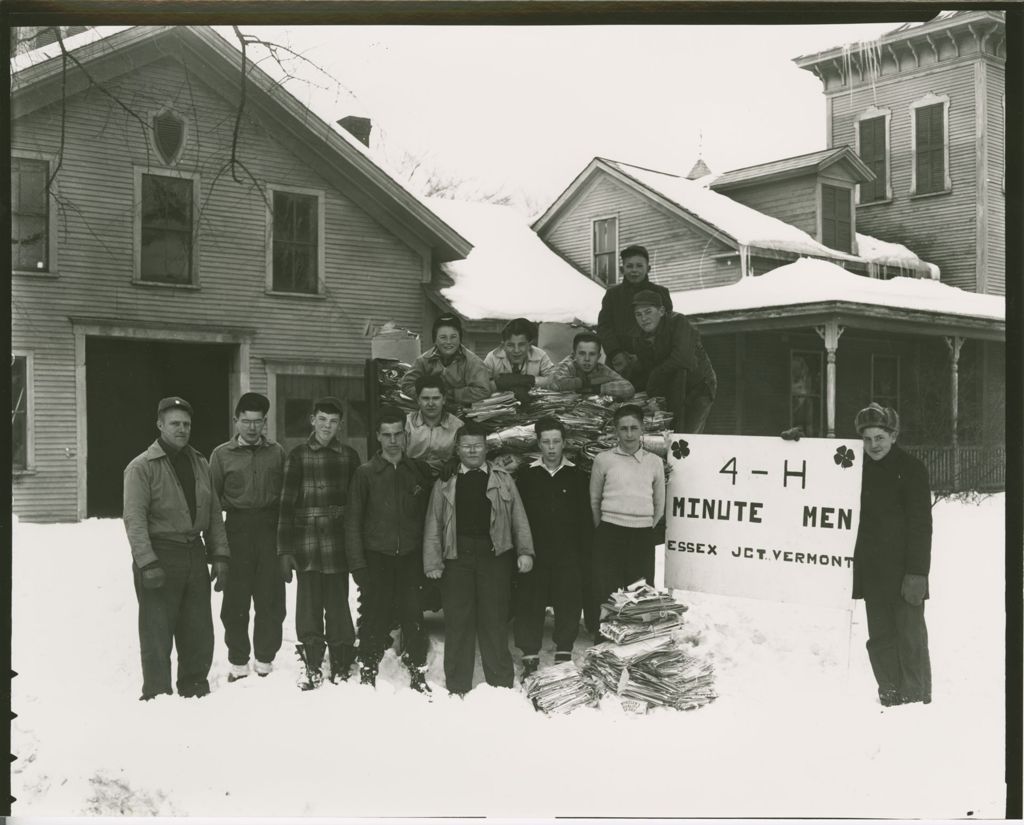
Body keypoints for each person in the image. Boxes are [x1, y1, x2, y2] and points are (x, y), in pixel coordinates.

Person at [123, 396, 230, 701]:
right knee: (157, 629)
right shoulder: (141, 467)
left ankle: (194, 685)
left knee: (198, 628)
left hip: (193, 553)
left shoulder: (200, 463)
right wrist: (147, 563)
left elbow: (212, 513)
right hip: (160, 554)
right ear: (160, 425)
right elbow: (134, 520)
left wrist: (220, 554)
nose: (182, 429)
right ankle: (157, 693)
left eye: (187, 424)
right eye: (175, 424)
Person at [423, 421, 535, 695]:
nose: (472, 450)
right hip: (456, 555)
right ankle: (458, 686)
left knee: (494, 619)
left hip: (493, 555)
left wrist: (524, 551)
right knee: (458, 620)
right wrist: (433, 562)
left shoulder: (503, 478)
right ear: (457, 449)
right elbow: (433, 523)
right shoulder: (445, 481)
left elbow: (518, 518)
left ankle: (500, 685)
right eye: (466, 446)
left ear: (487, 448)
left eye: (478, 445)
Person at [346, 409, 434, 692]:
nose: (393, 440)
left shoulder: (417, 471)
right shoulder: (366, 473)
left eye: (398, 434)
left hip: (410, 557)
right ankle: (369, 669)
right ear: (378, 437)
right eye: (387, 435)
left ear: (406, 436)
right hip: (377, 558)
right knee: (374, 615)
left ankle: (418, 670)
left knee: (413, 615)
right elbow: (352, 521)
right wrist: (358, 565)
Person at [852, 402, 933, 707]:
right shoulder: (855, 470)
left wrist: (917, 572)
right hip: (872, 570)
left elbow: (921, 525)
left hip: (905, 571)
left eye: (880, 438)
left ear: (894, 436)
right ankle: (889, 691)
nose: (873, 445)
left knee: (910, 635)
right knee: (880, 635)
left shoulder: (911, 469)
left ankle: (915, 695)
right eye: (867, 438)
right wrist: (794, 445)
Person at [277, 396, 361, 690]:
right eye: (322, 419)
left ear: (340, 425)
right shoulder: (297, 456)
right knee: (309, 606)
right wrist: (285, 550)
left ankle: (341, 661)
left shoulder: (349, 456)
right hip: (307, 543)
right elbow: (286, 506)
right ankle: (312, 663)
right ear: (312, 420)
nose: (327, 426)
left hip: (337, 543)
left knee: (339, 604)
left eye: (334, 421)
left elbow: (356, 506)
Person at [210, 392, 287, 682]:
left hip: (269, 529)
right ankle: (238, 663)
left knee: (271, 598)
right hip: (237, 530)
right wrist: (218, 550)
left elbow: (286, 499)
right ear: (236, 421)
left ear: (264, 422)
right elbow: (212, 505)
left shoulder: (277, 452)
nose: (252, 428)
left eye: (258, 422)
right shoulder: (221, 455)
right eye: (246, 421)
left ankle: (265, 660)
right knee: (236, 601)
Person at [514, 417, 594, 676]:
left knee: (568, 601)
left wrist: (583, 555)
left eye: (556, 442)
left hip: (568, 552)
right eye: (546, 442)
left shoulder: (578, 476)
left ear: (564, 443)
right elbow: (518, 516)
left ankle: (563, 653)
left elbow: (585, 519)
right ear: (538, 443)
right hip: (535, 552)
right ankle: (529, 657)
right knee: (529, 602)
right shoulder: (526, 476)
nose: (551, 447)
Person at [589, 404, 666, 620]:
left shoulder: (655, 462)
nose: (629, 434)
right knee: (607, 589)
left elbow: (659, 504)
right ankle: (604, 638)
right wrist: (605, 527)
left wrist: (643, 527)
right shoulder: (603, 460)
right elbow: (594, 500)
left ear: (642, 429)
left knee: (639, 591)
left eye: (634, 428)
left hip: (641, 536)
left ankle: (632, 643)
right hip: (609, 533)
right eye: (624, 428)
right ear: (616, 431)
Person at [626, 290, 717, 433]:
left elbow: (683, 358)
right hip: (672, 388)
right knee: (671, 432)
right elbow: (646, 367)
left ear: (661, 311)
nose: (644, 318)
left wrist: (656, 374)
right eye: (638, 314)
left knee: (688, 435)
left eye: (648, 312)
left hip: (698, 385)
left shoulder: (678, 322)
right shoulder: (638, 338)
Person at [596, 244, 673, 376]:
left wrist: (647, 353)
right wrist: (616, 353)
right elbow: (604, 327)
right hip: (620, 363)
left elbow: (667, 328)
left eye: (639, 266)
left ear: (648, 268)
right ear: (622, 269)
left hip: (653, 361)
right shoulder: (613, 295)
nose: (634, 270)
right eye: (629, 266)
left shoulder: (661, 293)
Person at [400, 314, 490, 407]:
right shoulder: (423, 360)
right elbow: (406, 385)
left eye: (453, 337)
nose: (448, 342)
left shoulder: (472, 362)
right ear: (435, 340)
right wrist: (428, 396)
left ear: (460, 338)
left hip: (462, 413)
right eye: (443, 337)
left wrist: (451, 394)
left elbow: (483, 390)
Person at [404, 374, 464, 476]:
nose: (431, 403)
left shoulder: (458, 426)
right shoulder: (406, 423)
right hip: (410, 478)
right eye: (425, 398)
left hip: (445, 480)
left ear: (444, 399)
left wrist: (456, 461)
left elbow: (464, 456)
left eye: (435, 398)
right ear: (418, 400)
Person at [548, 331, 636, 400]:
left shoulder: (600, 368)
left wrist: (596, 389)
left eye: (592, 354)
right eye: (582, 353)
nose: (587, 359)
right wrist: (589, 382)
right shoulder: (568, 364)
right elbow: (554, 383)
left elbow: (628, 388)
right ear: (574, 354)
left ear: (598, 356)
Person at [482, 317, 556, 398]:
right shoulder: (492, 358)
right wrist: (498, 383)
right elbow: (481, 387)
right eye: (510, 345)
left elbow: (555, 382)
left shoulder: (541, 356)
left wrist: (527, 379)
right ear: (503, 345)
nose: (516, 350)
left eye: (521, 345)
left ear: (529, 345)